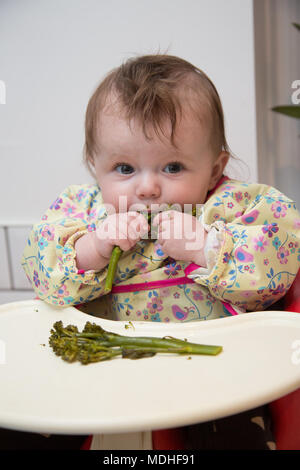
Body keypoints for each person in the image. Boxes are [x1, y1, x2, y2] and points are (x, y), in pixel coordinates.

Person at [22, 54, 300, 449]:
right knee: (31, 420)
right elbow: (41, 265)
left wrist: (207, 246)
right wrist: (93, 248)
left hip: (216, 373)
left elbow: (281, 258)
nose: (148, 188)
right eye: (123, 168)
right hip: (107, 369)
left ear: (215, 169)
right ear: (94, 166)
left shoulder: (232, 207)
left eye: (172, 167)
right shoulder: (83, 212)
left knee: (237, 436)